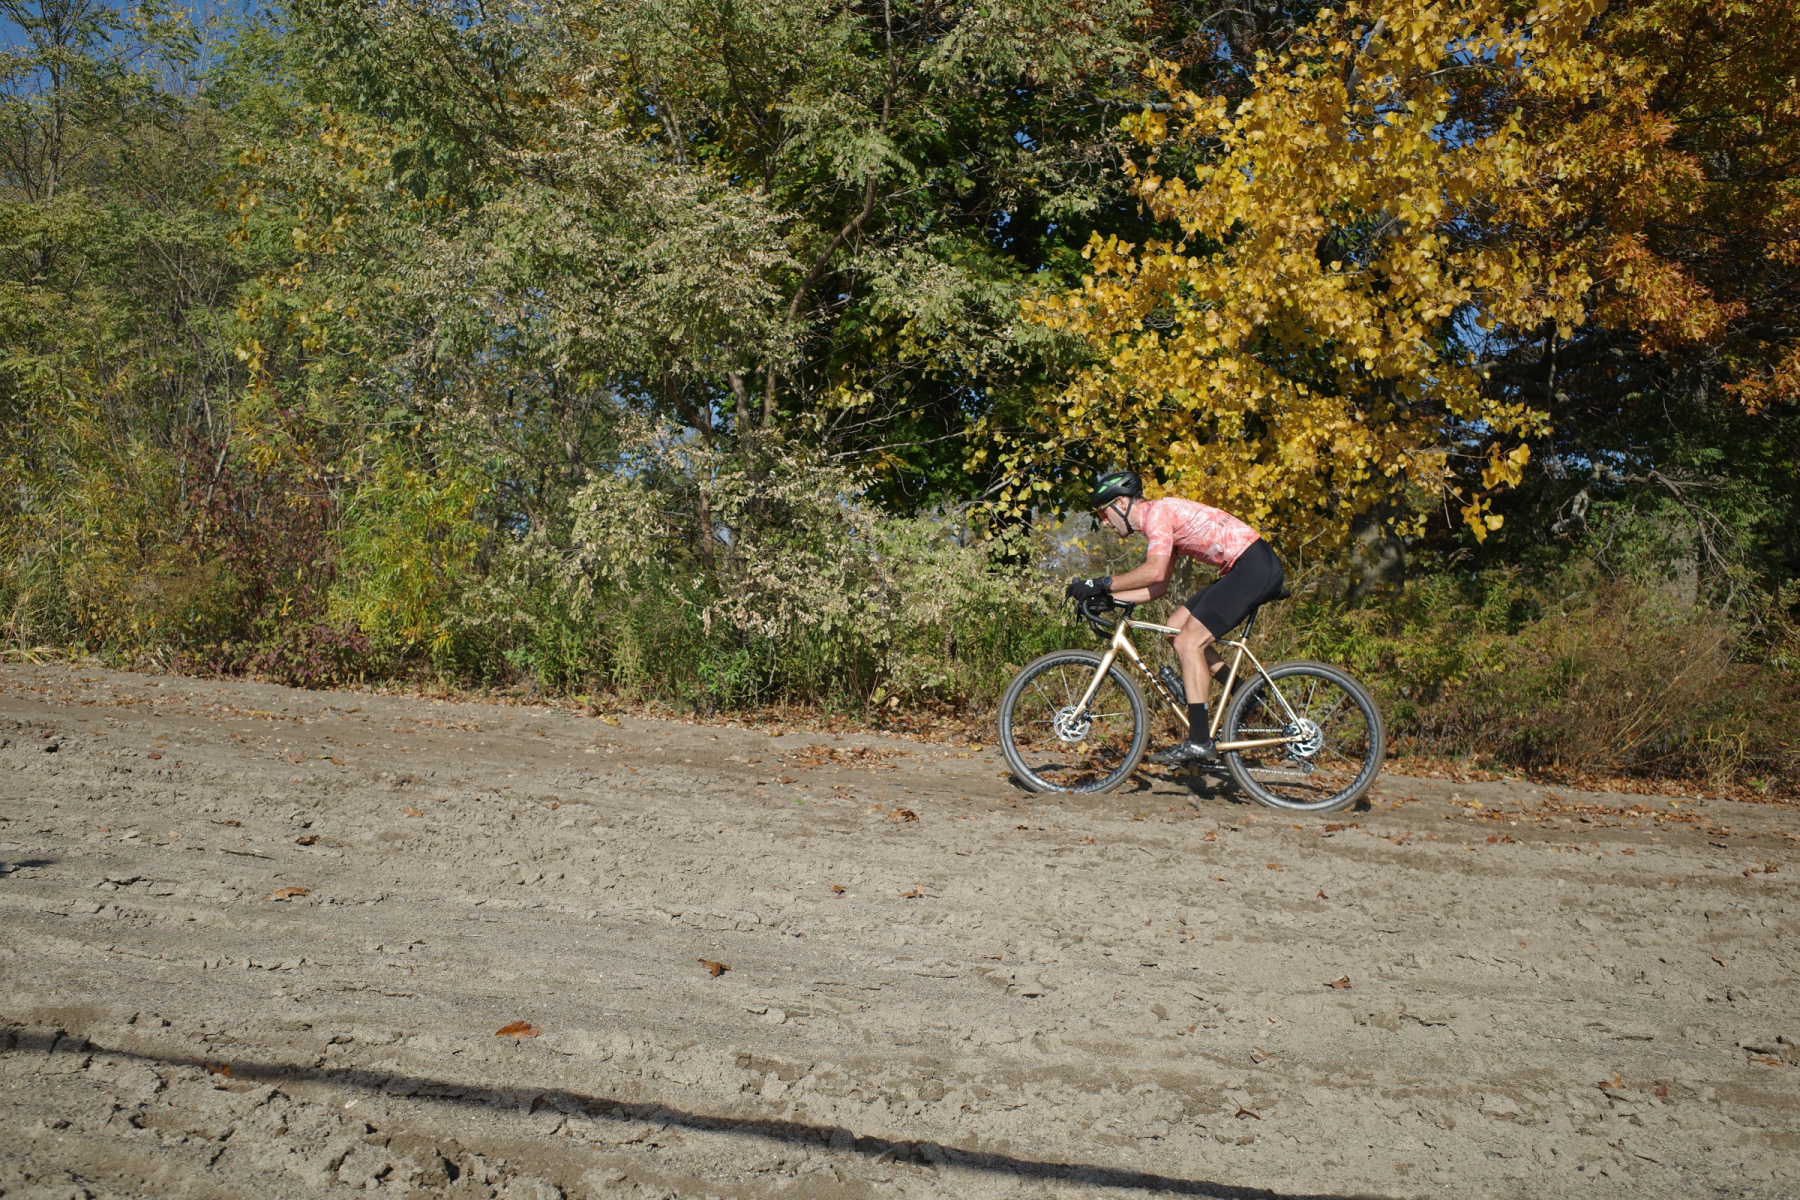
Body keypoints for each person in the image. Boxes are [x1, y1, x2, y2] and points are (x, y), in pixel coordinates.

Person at [1065, 470, 1285, 765]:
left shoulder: (1158, 514)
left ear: (1121, 503)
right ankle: (1245, 694)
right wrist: (1110, 599)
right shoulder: (1159, 522)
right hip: (1248, 566)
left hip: (1254, 566)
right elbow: (1158, 587)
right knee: (1174, 628)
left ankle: (1199, 741)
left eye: (1104, 513)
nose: (1104, 522)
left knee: (1188, 642)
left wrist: (1101, 583)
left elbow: (1153, 572)